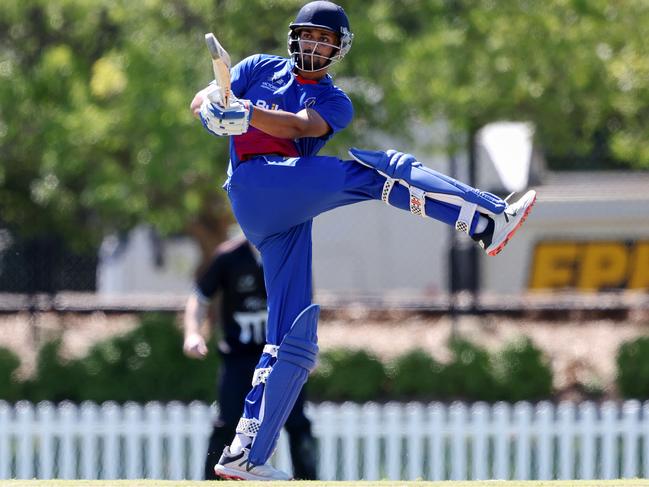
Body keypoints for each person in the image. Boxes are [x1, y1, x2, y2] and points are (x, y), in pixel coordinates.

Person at [190, 0, 536, 480]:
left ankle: (246, 453)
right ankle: (485, 219)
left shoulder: (336, 101)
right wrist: (213, 112)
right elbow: (202, 98)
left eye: (325, 40)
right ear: (294, 37)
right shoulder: (256, 67)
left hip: (285, 210)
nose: (314, 45)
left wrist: (245, 113)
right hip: (255, 184)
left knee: (295, 337)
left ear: (338, 50)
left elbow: (297, 127)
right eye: (308, 35)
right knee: (378, 171)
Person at [182, 235, 317, 480]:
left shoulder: (291, 257)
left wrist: (308, 351)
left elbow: (305, 310)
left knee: (297, 423)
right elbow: (199, 297)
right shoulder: (228, 256)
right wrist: (192, 333)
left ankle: (308, 481)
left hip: (281, 359)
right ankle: (211, 481)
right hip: (238, 359)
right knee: (227, 423)